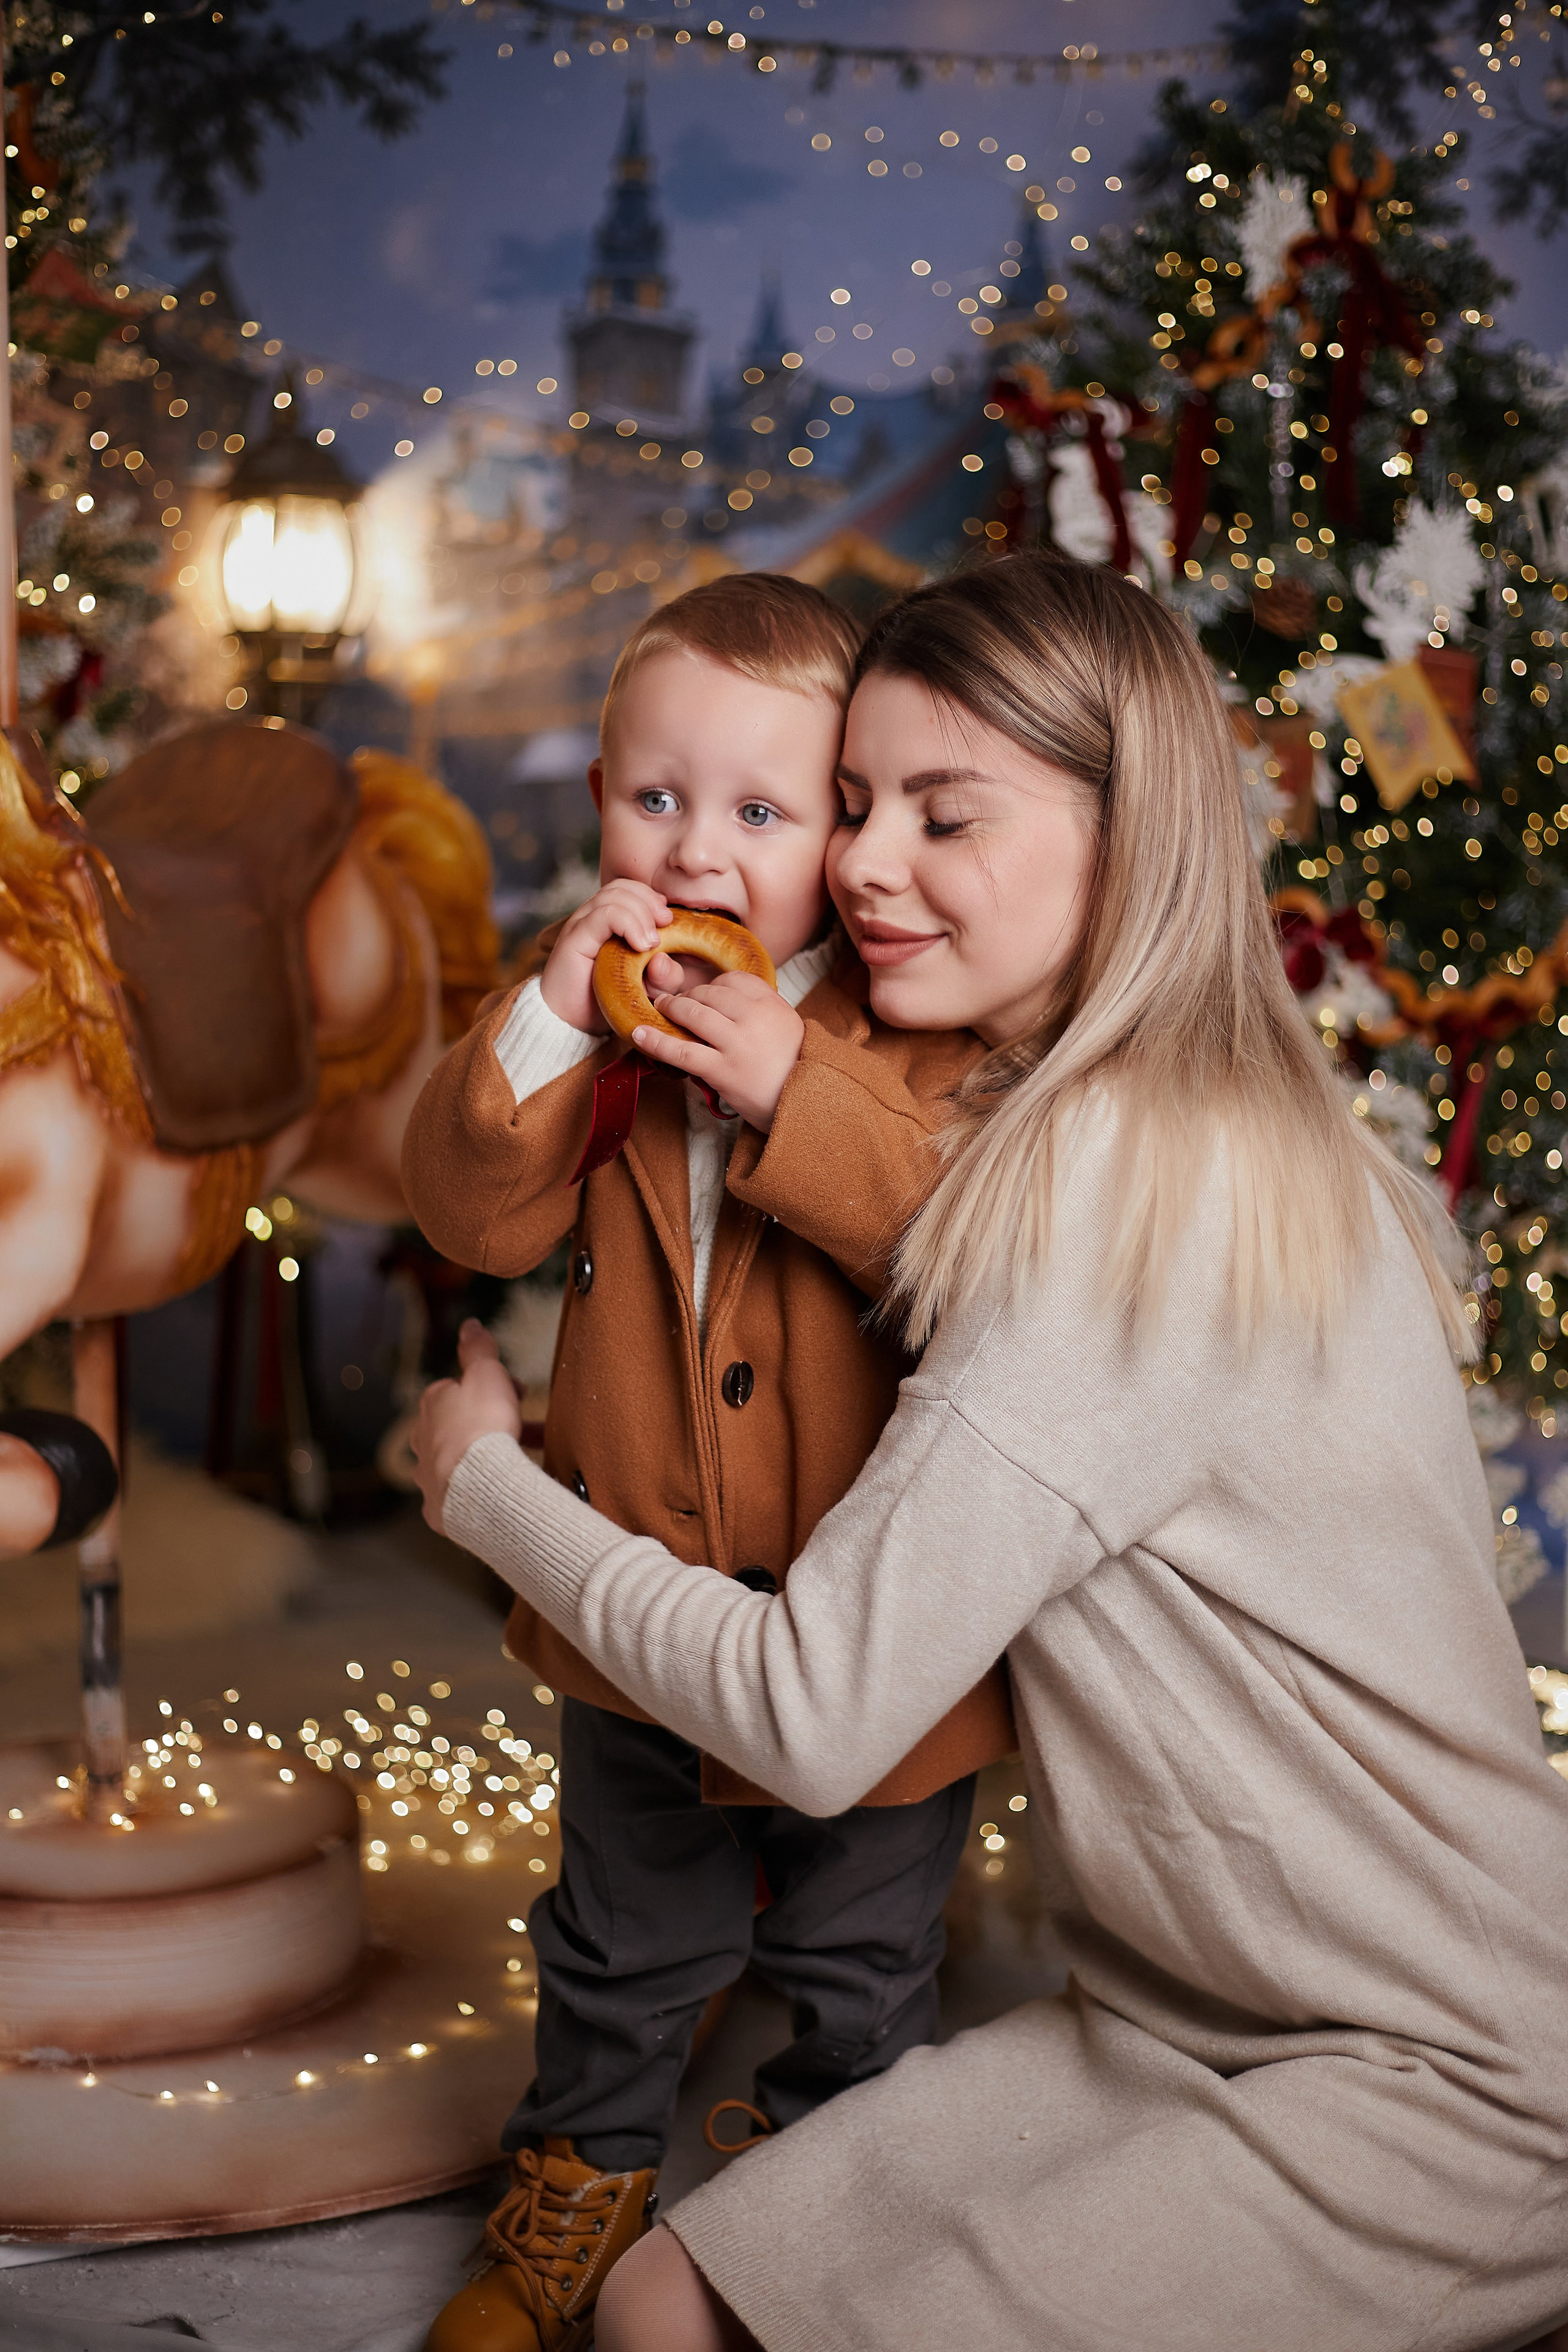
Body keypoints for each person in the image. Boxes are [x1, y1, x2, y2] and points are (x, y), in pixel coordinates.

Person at [414, 551, 1568, 2352]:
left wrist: (488, 1484)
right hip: (1178, 2010)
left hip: (1448, 2073)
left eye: (945, 817)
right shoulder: (1046, 1122)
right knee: (654, 2305)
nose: (862, 864)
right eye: (856, 805)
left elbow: (812, 1712)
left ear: (1129, 846)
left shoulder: (1135, 1192)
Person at [401, 572, 1014, 2352]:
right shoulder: (593, 1025)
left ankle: (813, 2202)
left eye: (756, 811)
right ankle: (576, 2189)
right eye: (651, 798)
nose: (692, 851)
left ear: (841, 836)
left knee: (860, 1960)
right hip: (635, 1612)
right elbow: (476, 1219)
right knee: (615, 1941)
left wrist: (786, 1087)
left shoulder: (921, 1043)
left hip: (874, 1646)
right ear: (596, 798)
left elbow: (955, 1252)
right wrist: (542, 1022)